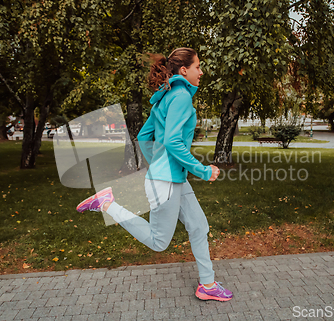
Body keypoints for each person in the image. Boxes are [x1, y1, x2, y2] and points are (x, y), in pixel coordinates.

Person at [76, 47, 233, 302]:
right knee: (159, 242)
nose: (201, 72)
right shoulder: (180, 96)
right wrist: (203, 170)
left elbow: (144, 137)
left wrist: (159, 163)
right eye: (197, 67)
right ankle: (107, 204)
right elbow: (172, 142)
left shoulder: (166, 95)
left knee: (198, 226)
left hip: (173, 179)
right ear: (184, 70)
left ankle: (207, 284)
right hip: (167, 182)